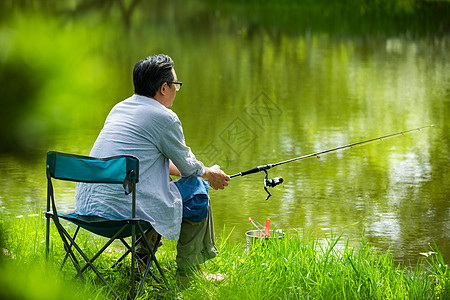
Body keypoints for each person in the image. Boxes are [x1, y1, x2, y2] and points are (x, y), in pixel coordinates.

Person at [74, 54, 230, 281]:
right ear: (164, 88)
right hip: (125, 213)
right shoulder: (164, 117)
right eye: (176, 84)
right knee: (197, 190)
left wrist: (202, 170)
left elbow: (150, 162)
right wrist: (209, 174)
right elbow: (190, 169)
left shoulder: (119, 109)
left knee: (160, 188)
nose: (177, 89)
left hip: (90, 209)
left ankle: (141, 262)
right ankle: (189, 272)